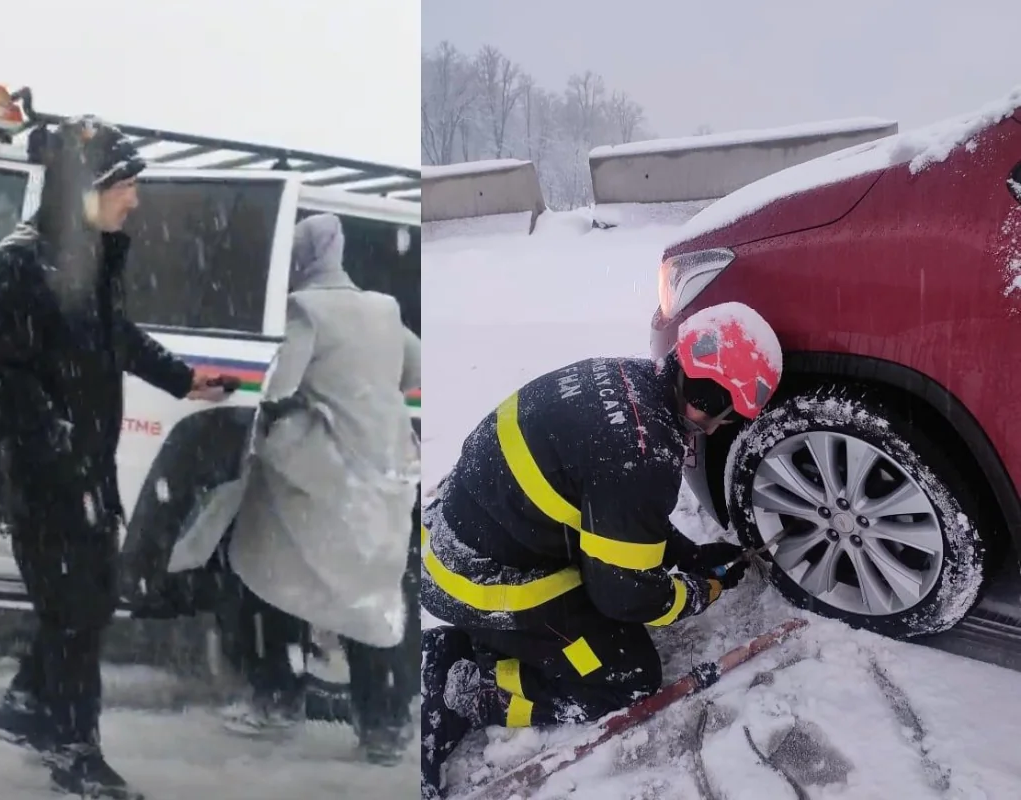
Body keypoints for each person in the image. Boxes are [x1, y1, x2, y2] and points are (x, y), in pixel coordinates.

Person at [419, 302, 784, 799]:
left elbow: (615, 517)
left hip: (463, 535)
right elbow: (627, 599)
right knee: (625, 675)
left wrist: (684, 554)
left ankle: (502, 641)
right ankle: (473, 684)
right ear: (702, 393)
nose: (719, 427)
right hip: (479, 580)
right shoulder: (641, 453)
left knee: (604, 607)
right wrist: (699, 592)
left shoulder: (629, 382)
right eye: (721, 413)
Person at [0, 115, 227, 799]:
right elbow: (3, 379)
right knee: (79, 612)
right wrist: (60, 456)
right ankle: (76, 755)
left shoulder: (85, 257)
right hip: (45, 478)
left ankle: (24, 710)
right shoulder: (18, 263)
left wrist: (183, 378)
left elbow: (117, 336)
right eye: (126, 187)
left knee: (81, 605)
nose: (135, 201)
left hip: (87, 468)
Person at [192, 213, 422, 764]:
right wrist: (365, 392)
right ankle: (384, 728)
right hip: (384, 475)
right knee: (370, 596)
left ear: (301, 258)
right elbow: (412, 367)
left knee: (267, 577)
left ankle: (275, 701)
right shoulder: (383, 308)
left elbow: (280, 386)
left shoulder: (307, 308)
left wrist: (289, 415)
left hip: (320, 478)